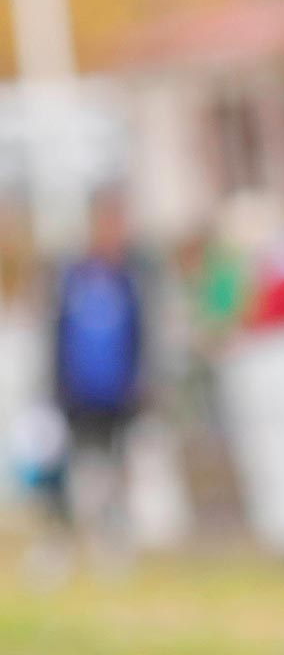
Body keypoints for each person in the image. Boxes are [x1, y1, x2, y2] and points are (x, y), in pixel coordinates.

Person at [51, 184, 149, 564]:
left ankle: (114, 542)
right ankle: (69, 541)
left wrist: (142, 380)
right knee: (76, 470)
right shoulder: (72, 274)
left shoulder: (133, 275)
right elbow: (56, 331)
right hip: (78, 391)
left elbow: (145, 333)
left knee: (118, 469)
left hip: (120, 391)